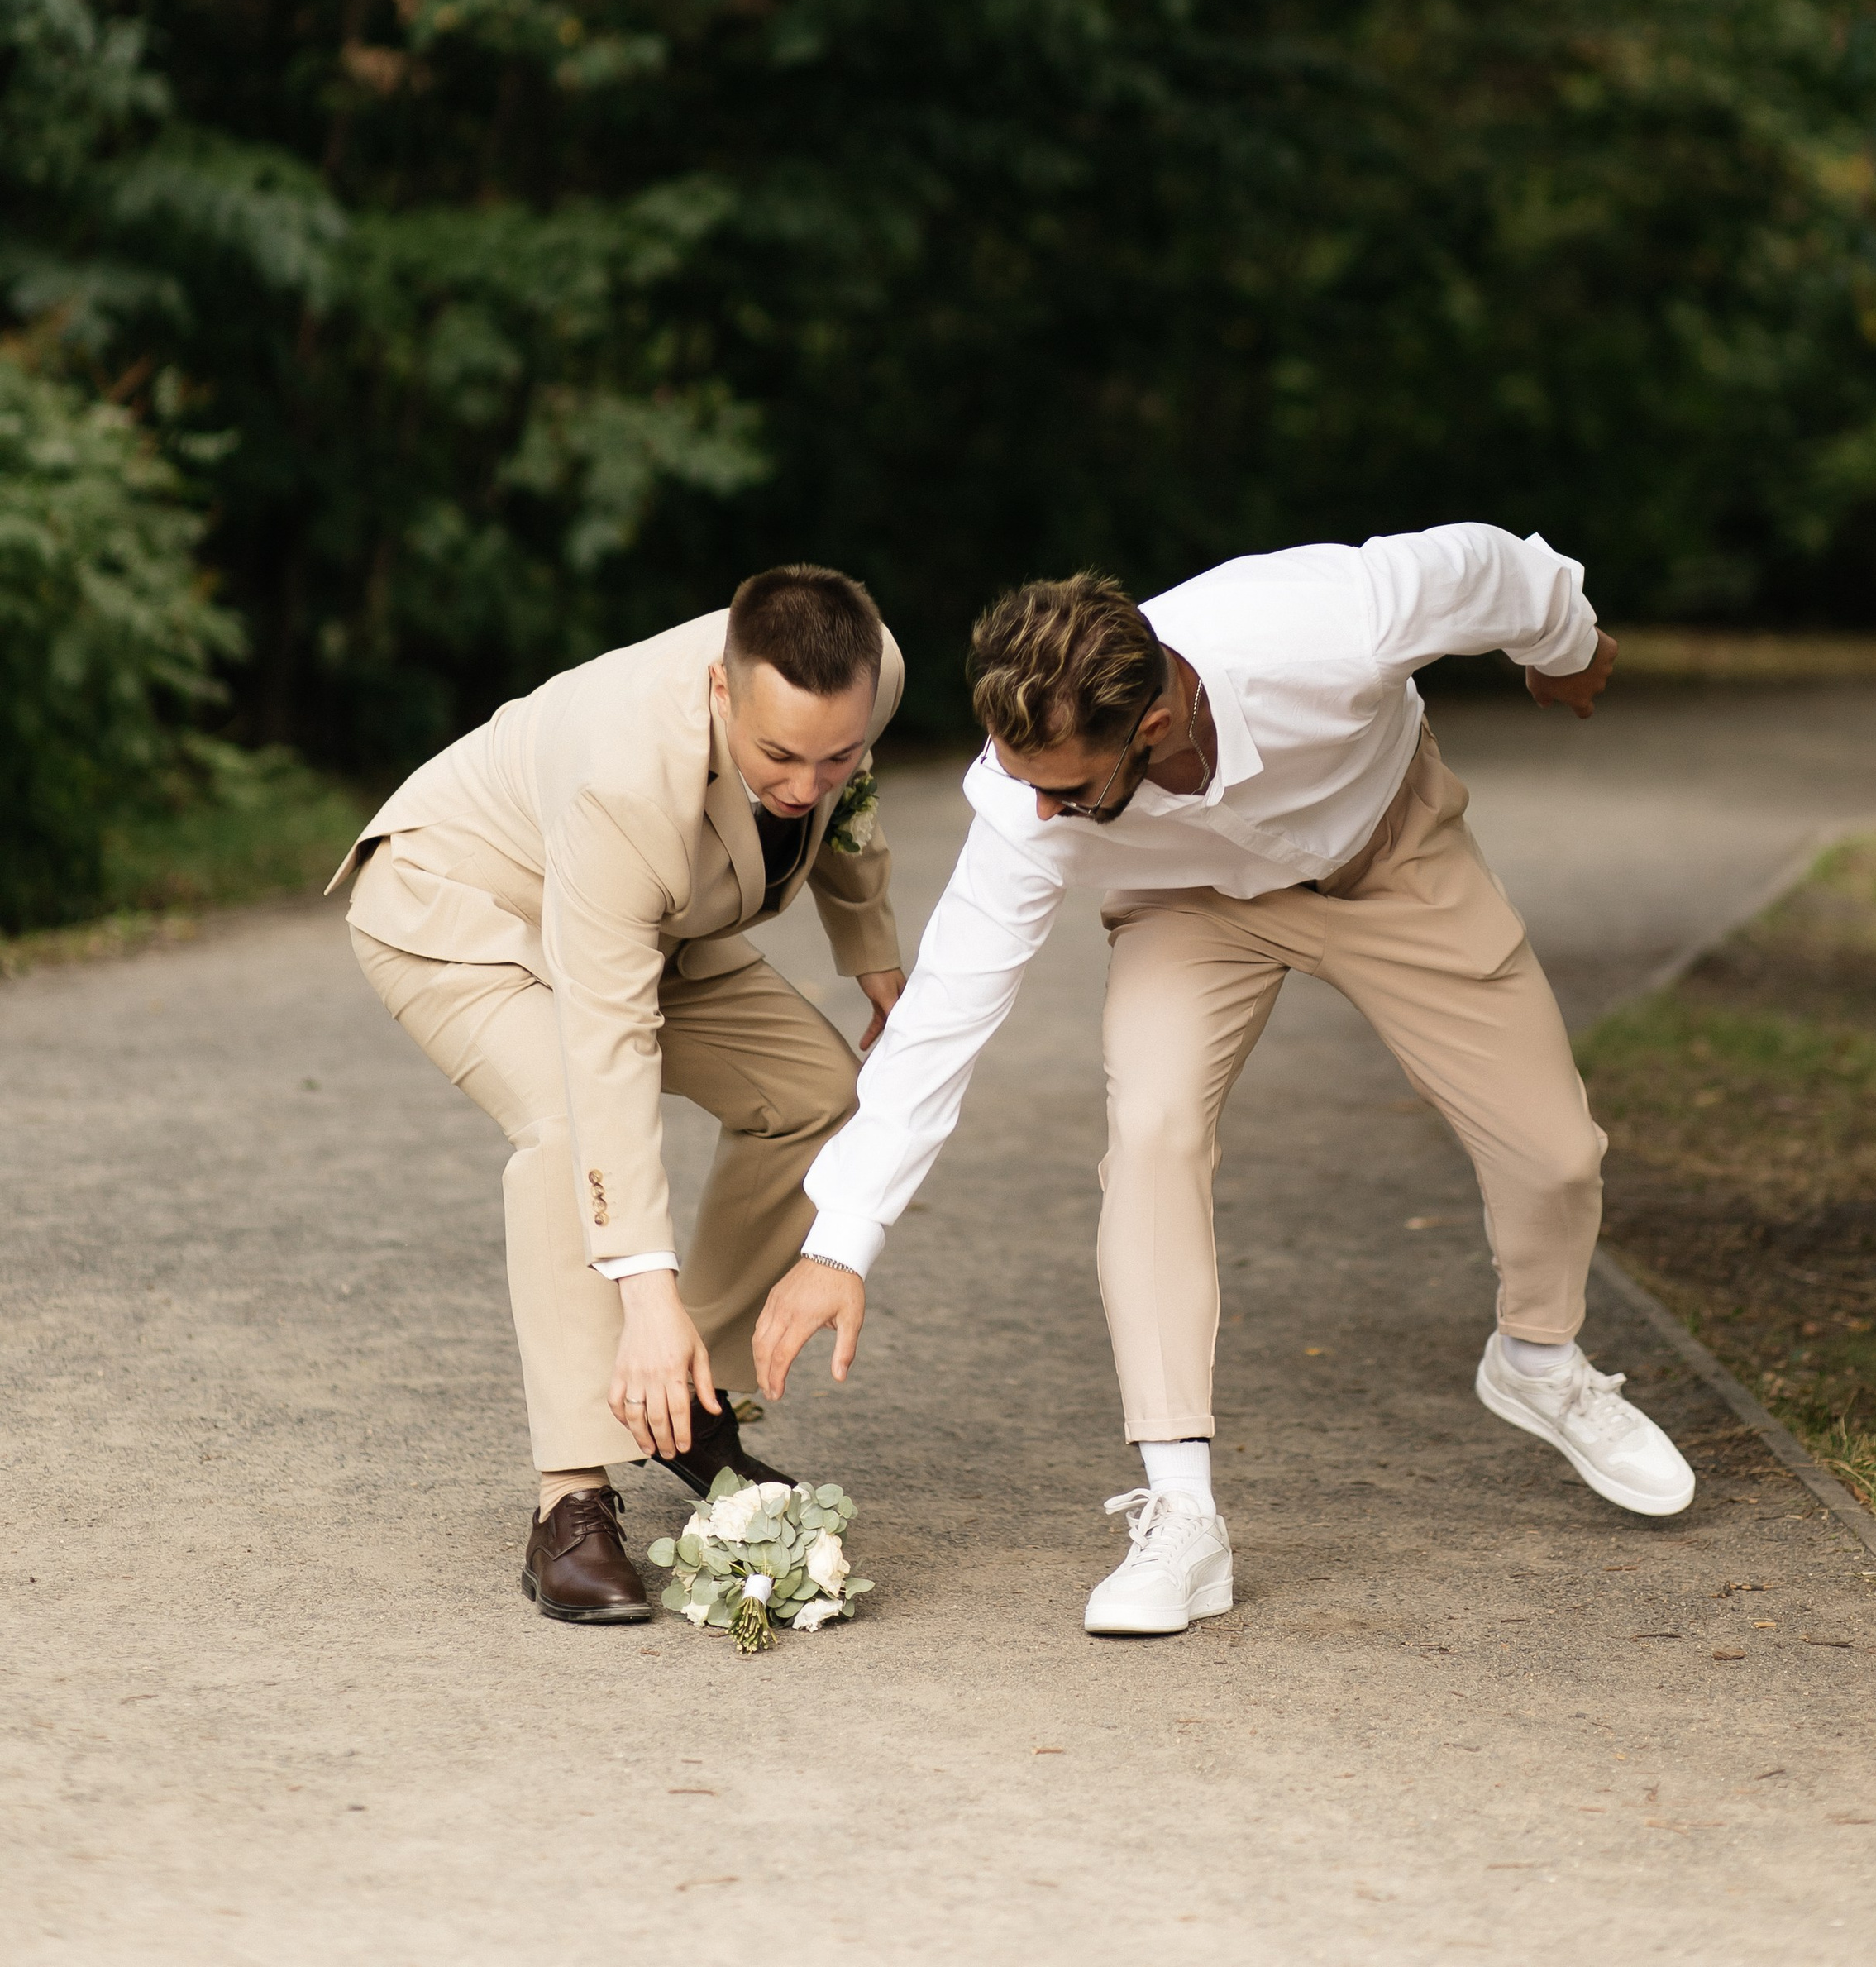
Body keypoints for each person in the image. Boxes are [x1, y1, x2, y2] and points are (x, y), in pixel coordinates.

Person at [755, 528, 1694, 1635]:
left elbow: (1499, 569)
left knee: (1557, 1153)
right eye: (1022, 781)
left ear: (1150, 726)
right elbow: (946, 1018)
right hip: (1188, 904)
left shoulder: (1330, 623)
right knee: (1149, 1132)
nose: (1038, 813)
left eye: (1065, 790)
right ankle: (1182, 1514)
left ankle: (1540, 1357)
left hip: (1389, 855)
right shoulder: (1026, 796)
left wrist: (1569, 645)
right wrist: (840, 1243)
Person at [333, 563, 906, 1623]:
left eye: (834, 753)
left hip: (648, 920)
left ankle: (682, 1402)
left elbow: (849, 805)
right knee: (562, 1129)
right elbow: (607, 1048)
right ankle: (572, 1500)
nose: (802, 783)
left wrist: (873, 955)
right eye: (778, 755)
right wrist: (645, 1292)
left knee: (817, 1087)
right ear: (721, 692)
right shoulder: (621, 774)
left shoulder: (866, 674)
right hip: (468, 907)